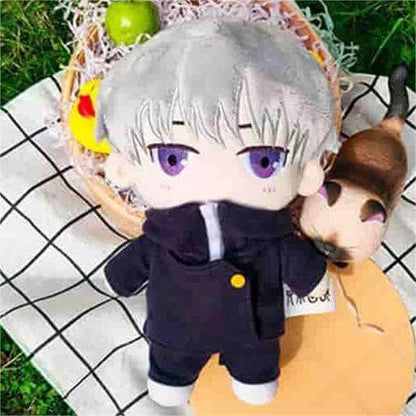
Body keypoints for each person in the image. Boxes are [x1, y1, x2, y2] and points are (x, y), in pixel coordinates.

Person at [98, 19, 337, 407]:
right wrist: (121, 276)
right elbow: (139, 258)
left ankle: (253, 377)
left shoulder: (271, 236)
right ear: (125, 167)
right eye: (171, 158)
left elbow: (295, 261)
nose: (211, 177)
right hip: (175, 330)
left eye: (263, 161)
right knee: (170, 369)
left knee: (257, 370)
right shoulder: (164, 236)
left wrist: (309, 277)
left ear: (306, 173)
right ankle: (171, 376)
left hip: (253, 332)